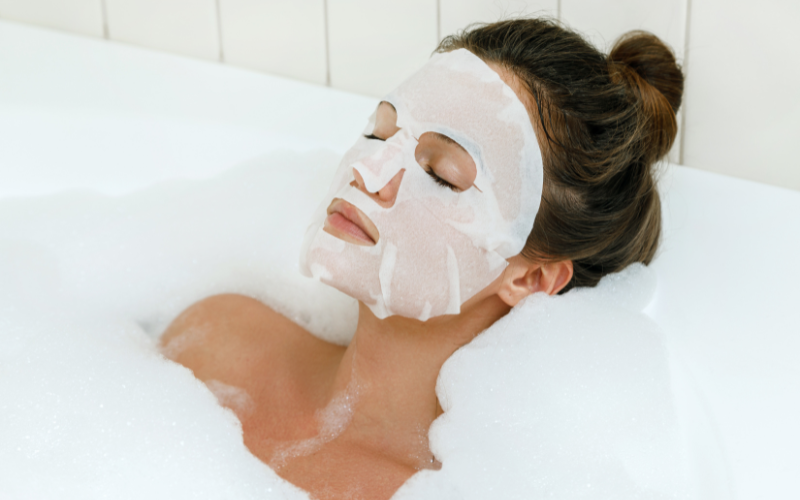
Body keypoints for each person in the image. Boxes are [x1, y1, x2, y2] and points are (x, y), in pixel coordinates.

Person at [159, 17, 684, 500]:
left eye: (442, 175)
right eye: (378, 132)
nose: (369, 172)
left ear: (533, 278)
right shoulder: (214, 341)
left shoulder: (450, 489)